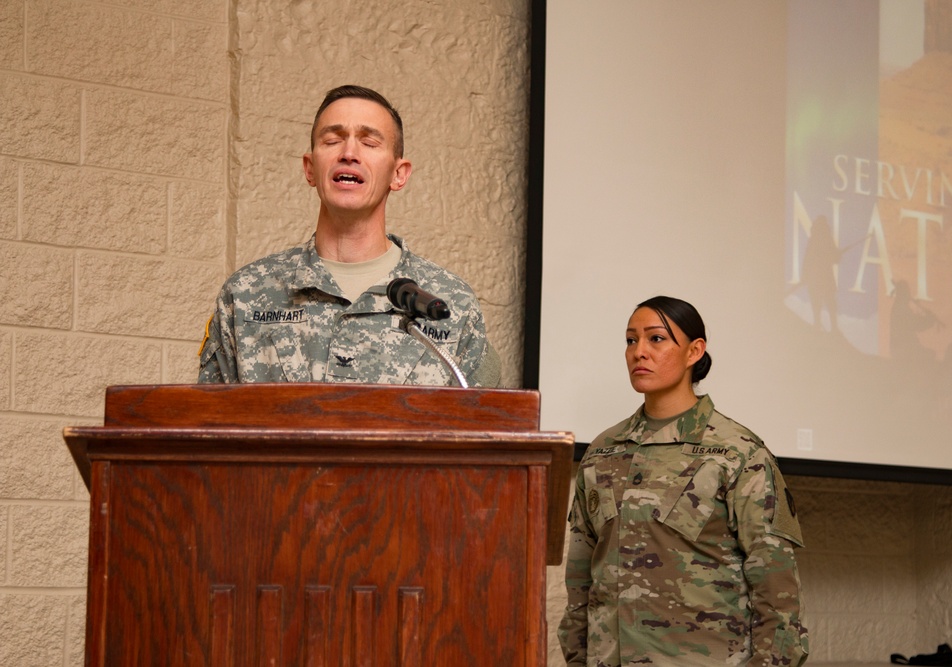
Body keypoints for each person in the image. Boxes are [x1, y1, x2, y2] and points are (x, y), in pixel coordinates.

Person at [558, 296, 808, 666]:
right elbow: (580, 580)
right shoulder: (602, 452)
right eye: (630, 340)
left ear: (694, 351)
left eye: (656, 339)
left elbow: (776, 588)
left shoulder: (737, 452)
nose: (639, 352)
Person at [198, 85, 501, 387]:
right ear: (310, 169)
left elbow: (480, 429)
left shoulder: (449, 304)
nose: (349, 153)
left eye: (369, 142)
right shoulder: (246, 295)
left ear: (399, 174)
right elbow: (207, 425)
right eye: (332, 140)